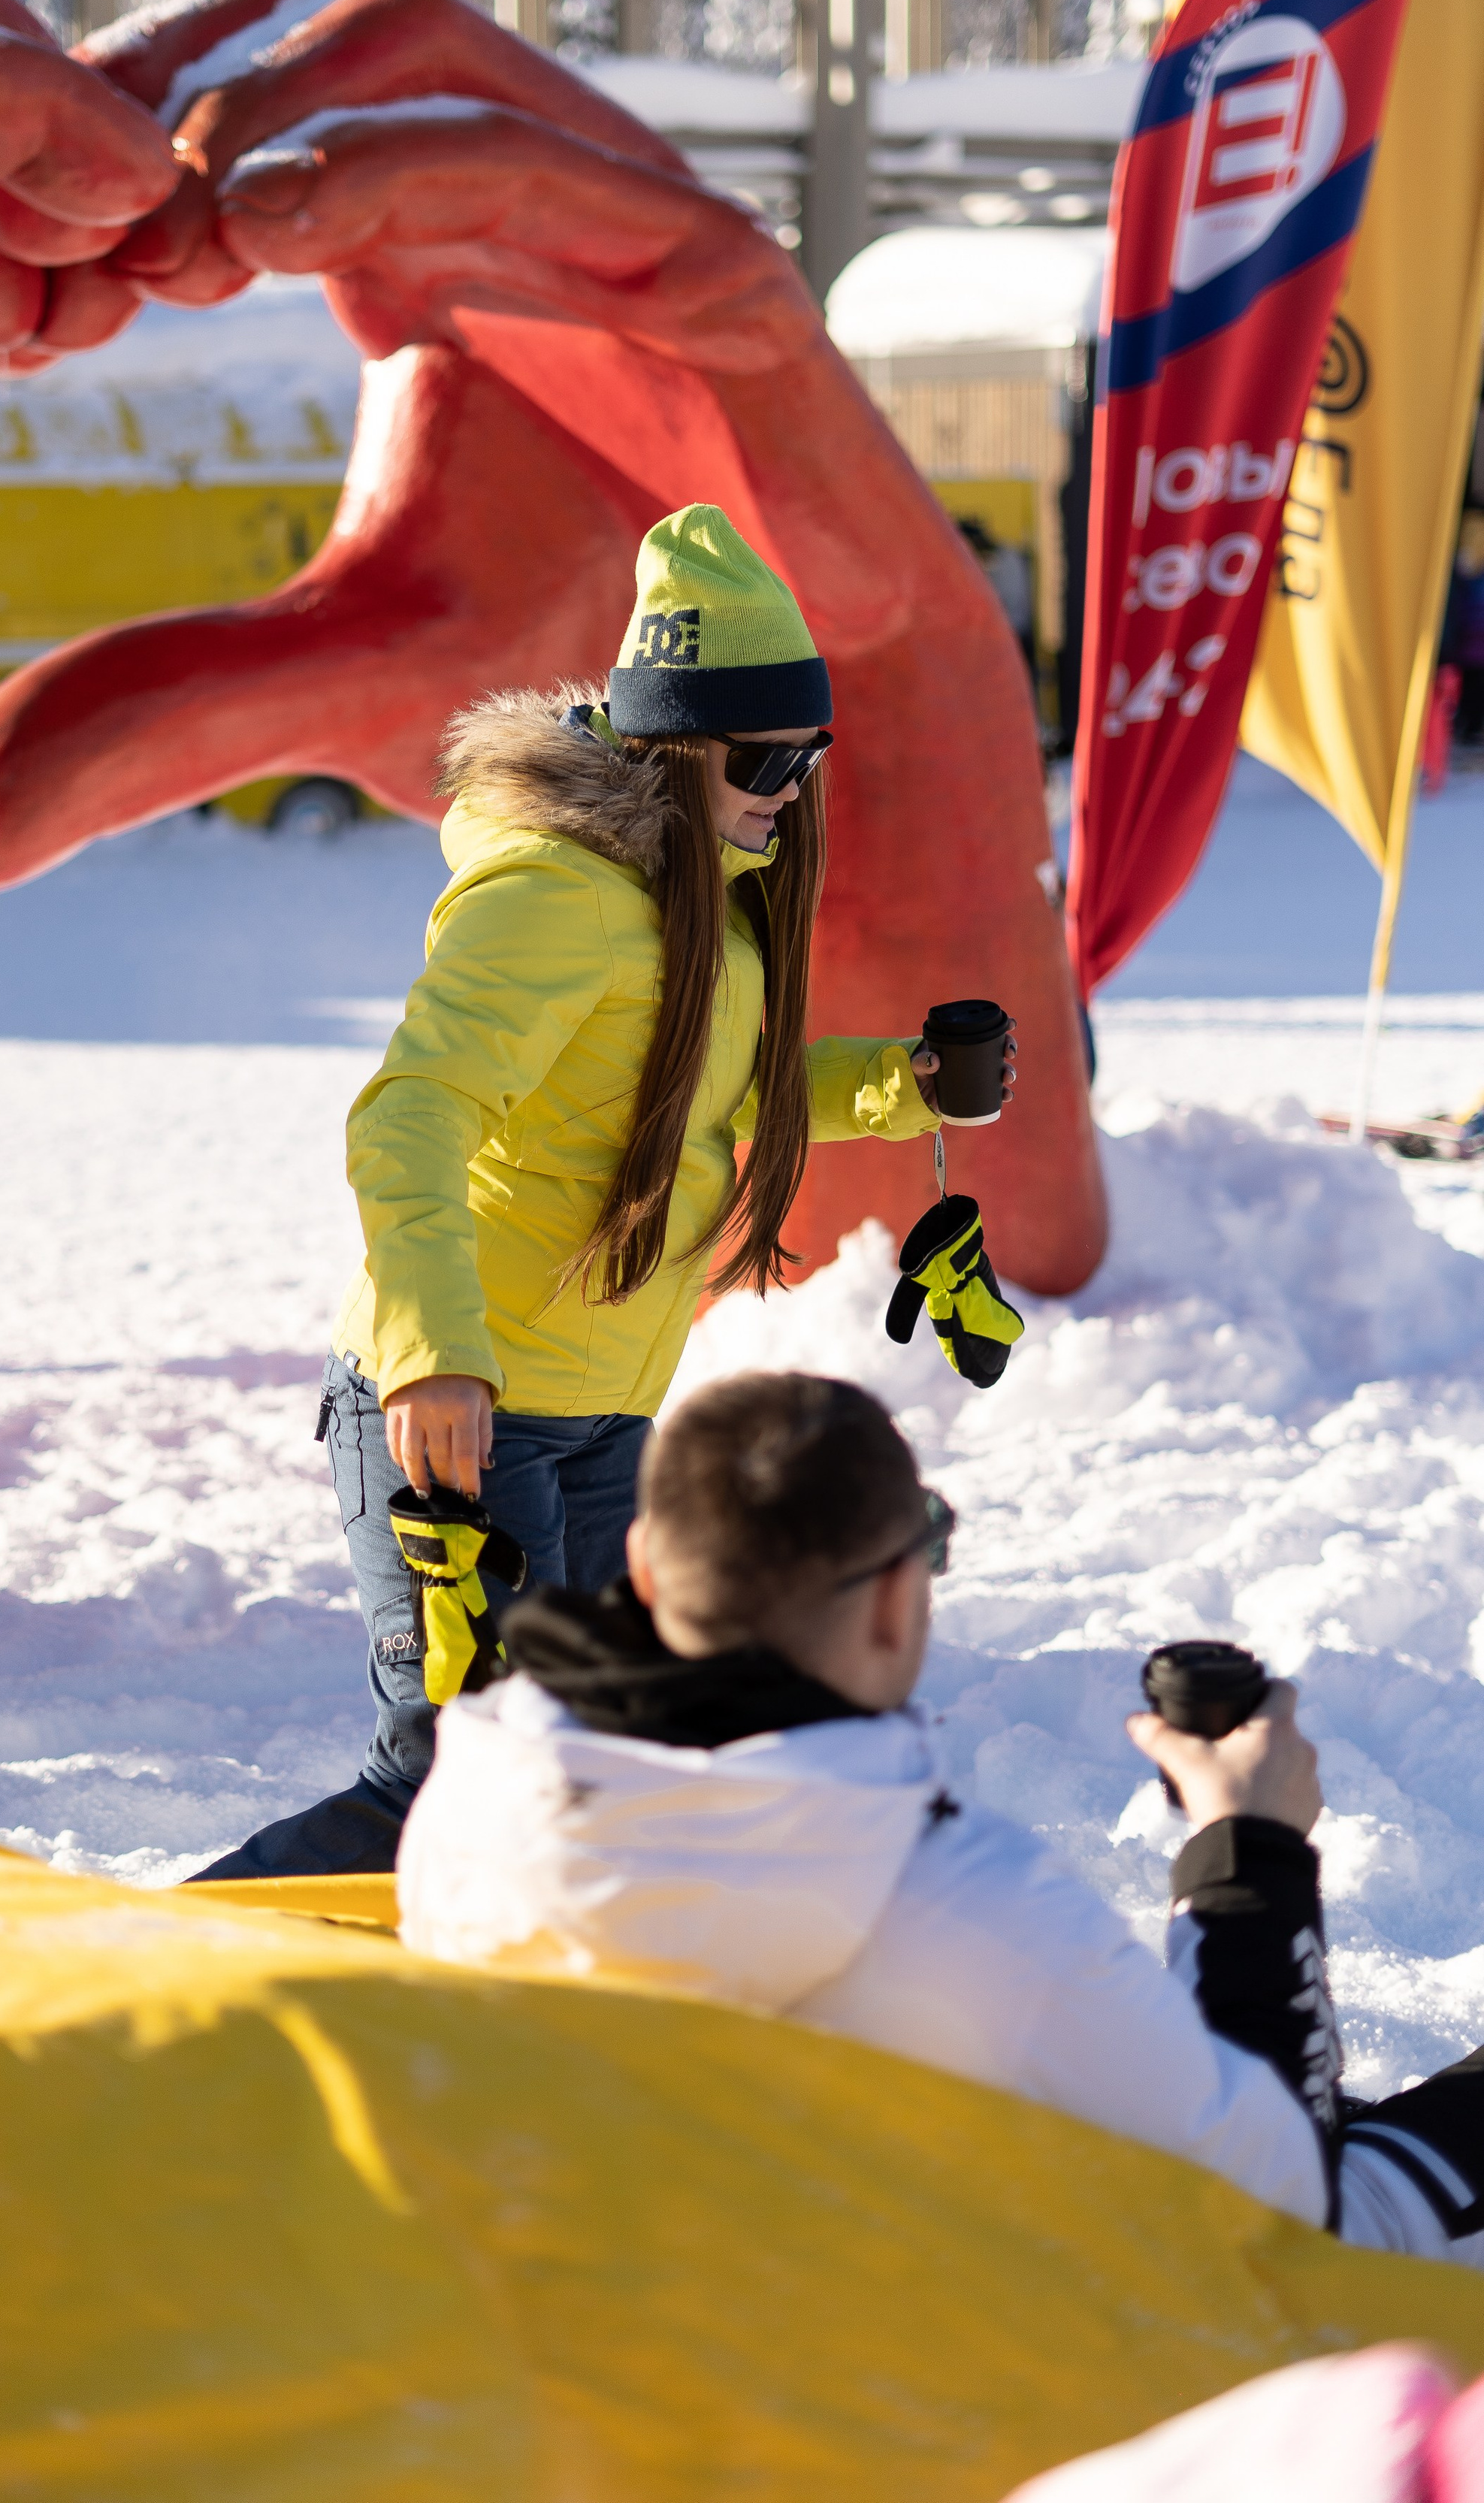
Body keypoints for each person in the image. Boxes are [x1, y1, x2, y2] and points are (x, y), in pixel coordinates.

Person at [196, 506, 1005, 1880]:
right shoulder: (554, 896)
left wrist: (903, 1081)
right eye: (764, 757)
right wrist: (434, 1359)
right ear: (676, 745)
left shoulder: (709, 902)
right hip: (468, 1409)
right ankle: (164, 1966)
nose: (790, 786)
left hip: (604, 1414)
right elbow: (411, 1117)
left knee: (588, 1761)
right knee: (452, 1783)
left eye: (808, 754)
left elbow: (708, 1092)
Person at [400, 1371, 1484, 2268]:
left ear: (643, 1562)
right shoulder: (964, 1913)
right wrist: (1249, 1854)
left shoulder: (475, 1805)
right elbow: (1281, 2215)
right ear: (893, 1600)